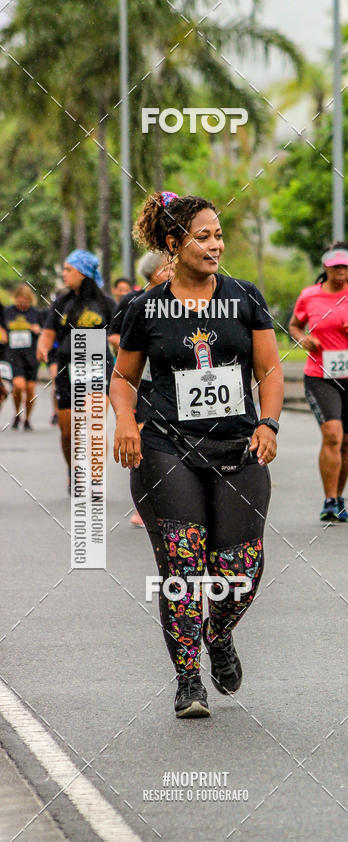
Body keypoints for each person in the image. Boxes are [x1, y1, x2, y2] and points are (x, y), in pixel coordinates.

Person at [110, 190, 283, 719]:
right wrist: (124, 421)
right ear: (173, 243)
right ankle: (188, 682)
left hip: (237, 445)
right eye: (202, 236)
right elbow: (123, 377)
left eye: (218, 236)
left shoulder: (244, 297)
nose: (215, 246)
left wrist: (269, 422)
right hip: (166, 447)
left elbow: (270, 371)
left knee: (241, 569)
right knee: (184, 566)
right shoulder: (147, 308)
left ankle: (219, 633)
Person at [288, 242, 348, 522]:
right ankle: (329, 500)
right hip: (320, 376)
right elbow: (293, 325)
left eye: (345, 266)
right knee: (333, 436)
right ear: (325, 266)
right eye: (335, 266)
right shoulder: (309, 296)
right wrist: (303, 339)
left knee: (347, 442)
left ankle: (339, 496)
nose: (341, 272)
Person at [37, 250, 116, 491]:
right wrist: (43, 348)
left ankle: (94, 476)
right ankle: (74, 469)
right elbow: (49, 333)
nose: (64, 274)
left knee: (94, 421)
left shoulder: (106, 302)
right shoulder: (61, 301)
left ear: (83, 273)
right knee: (68, 429)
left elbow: (117, 334)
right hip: (67, 368)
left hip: (98, 366)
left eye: (68, 269)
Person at [109, 251, 171, 527]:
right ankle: (144, 504)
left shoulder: (179, 299)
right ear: (152, 273)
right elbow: (112, 333)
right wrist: (134, 345)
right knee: (145, 439)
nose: (171, 272)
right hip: (141, 382)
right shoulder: (132, 302)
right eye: (166, 268)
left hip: (169, 382)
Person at [4, 284, 43, 430]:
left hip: (31, 356)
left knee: (31, 389)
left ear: (30, 300)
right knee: (18, 387)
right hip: (14, 355)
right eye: (20, 301)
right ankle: (16, 413)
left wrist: (37, 330)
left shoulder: (36, 313)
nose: (22, 304)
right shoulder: (8, 312)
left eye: (25, 302)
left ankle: (27, 418)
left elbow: (45, 332)